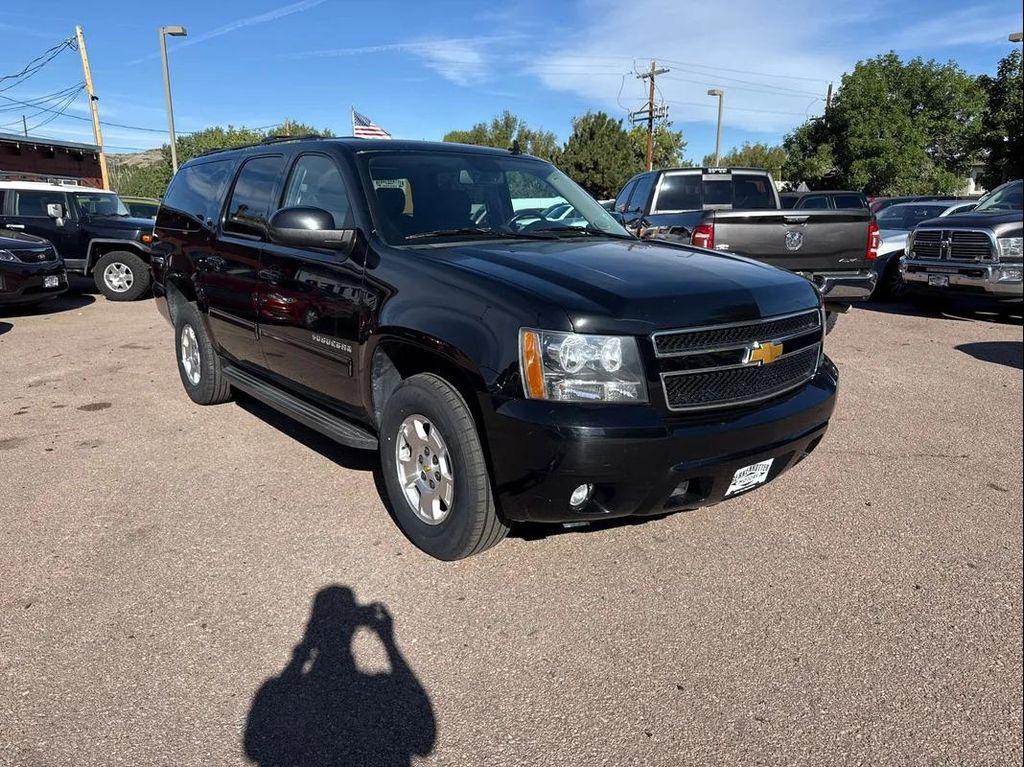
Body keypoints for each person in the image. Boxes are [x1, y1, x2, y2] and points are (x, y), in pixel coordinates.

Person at [244, 586, 436, 766]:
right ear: (354, 625)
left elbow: (254, 747)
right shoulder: (378, 690)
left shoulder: (283, 692)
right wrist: (388, 642)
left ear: (313, 628)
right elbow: (423, 738)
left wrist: (303, 651)